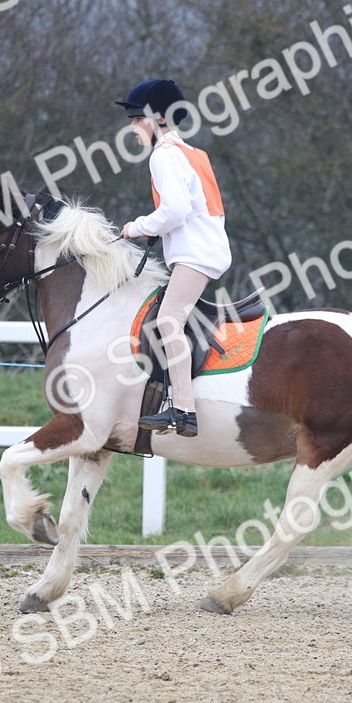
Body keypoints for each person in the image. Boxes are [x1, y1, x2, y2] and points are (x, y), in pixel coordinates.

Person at [117, 78, 232, 438]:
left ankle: (183, 409)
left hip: (196, 254)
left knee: (168, 320)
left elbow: (176, 210)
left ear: (160, 120)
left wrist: (137, 227)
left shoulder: (164, 156)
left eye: (138, 119)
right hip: (204, 249)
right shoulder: (193, 154)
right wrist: (158, 228)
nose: (133, 127)